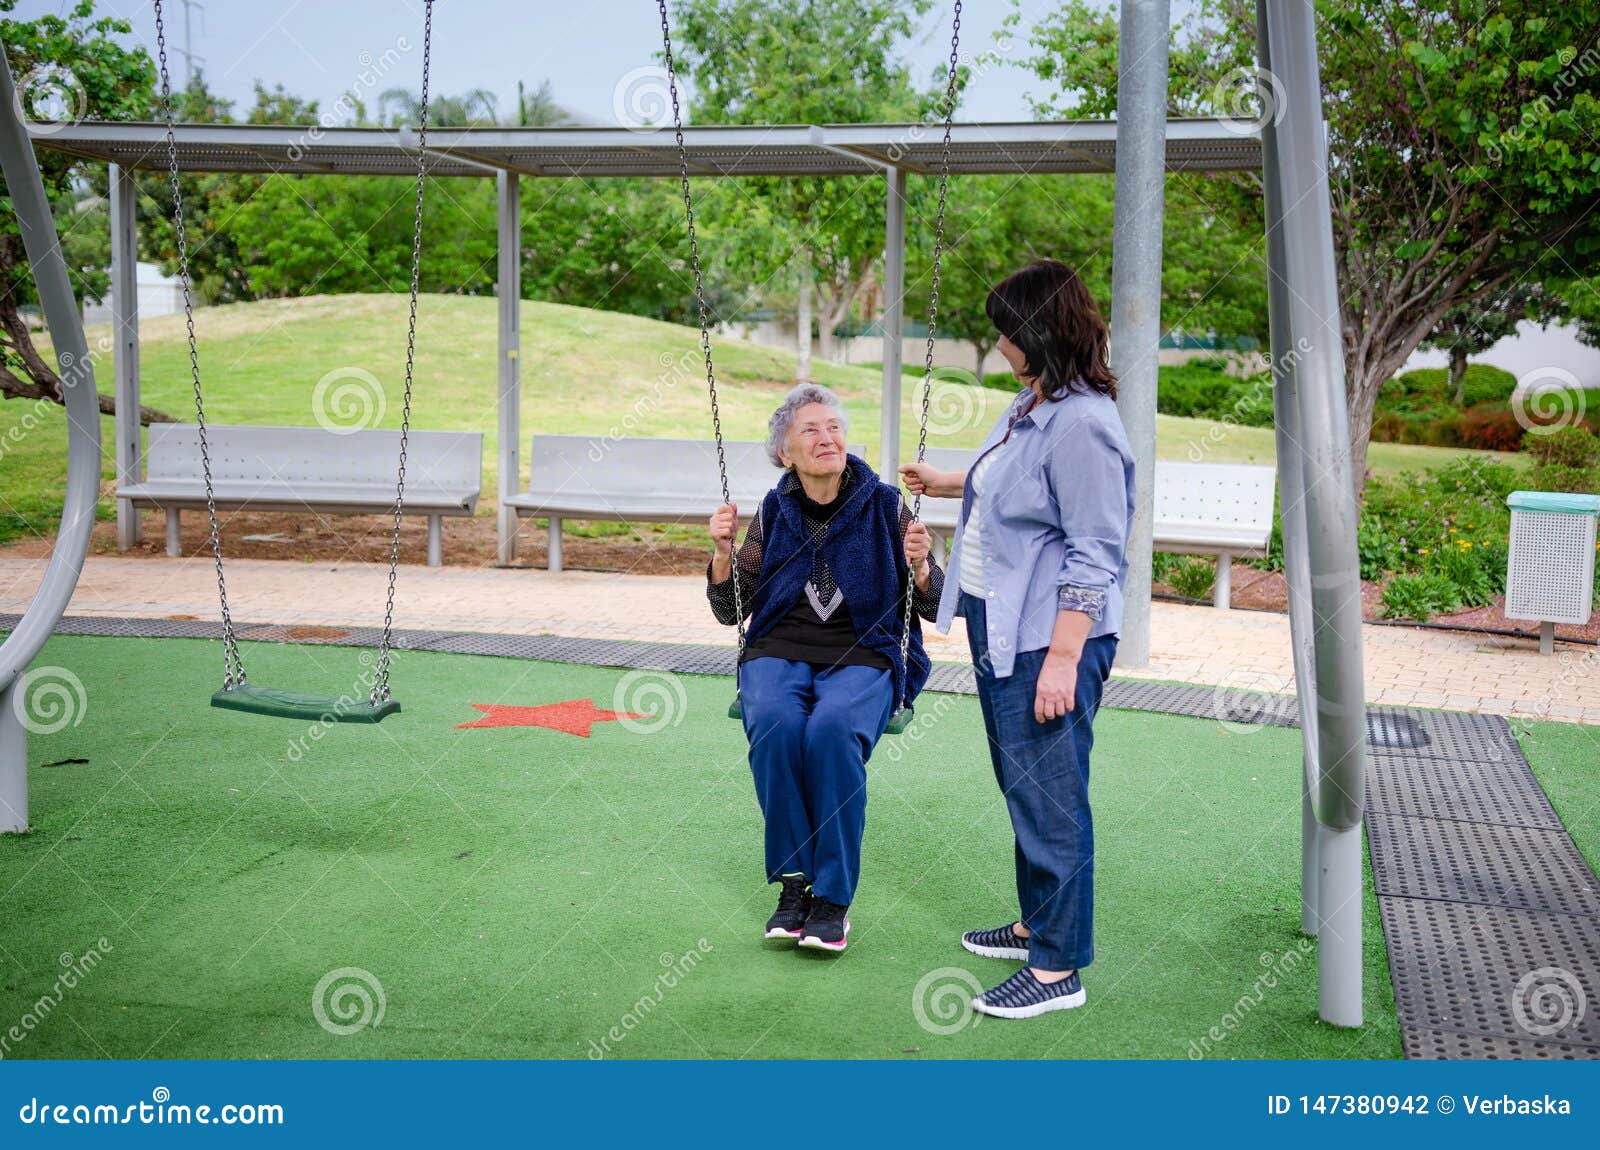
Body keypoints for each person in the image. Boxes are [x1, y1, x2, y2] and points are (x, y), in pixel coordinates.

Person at [901, 259, 1134, 1018]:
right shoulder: (1035, 403)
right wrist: (945, 481)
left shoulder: (1085, 425)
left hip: (1046, 638)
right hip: (1003, 630)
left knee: (1051, 800)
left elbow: (1095, 548)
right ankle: (1039, 921)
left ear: (1039, 332)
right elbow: (1010, 479)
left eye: (1008, 330)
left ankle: (1057, 968)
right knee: (1025, 787)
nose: (1000, 343)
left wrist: (1064, 658)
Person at [708, 383, 944, 952]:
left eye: (834, 427)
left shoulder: (887, 504)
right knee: (775, 723)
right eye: (810, 430)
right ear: (785, 452)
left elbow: (934, 603)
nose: (827, 438)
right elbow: (730, 610)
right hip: (780, 647)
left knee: (833, 731)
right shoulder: (773, 510)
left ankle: (832, 899)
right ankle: (794, 886)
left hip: (864, 648)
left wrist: (920, 565)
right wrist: (720, 551)